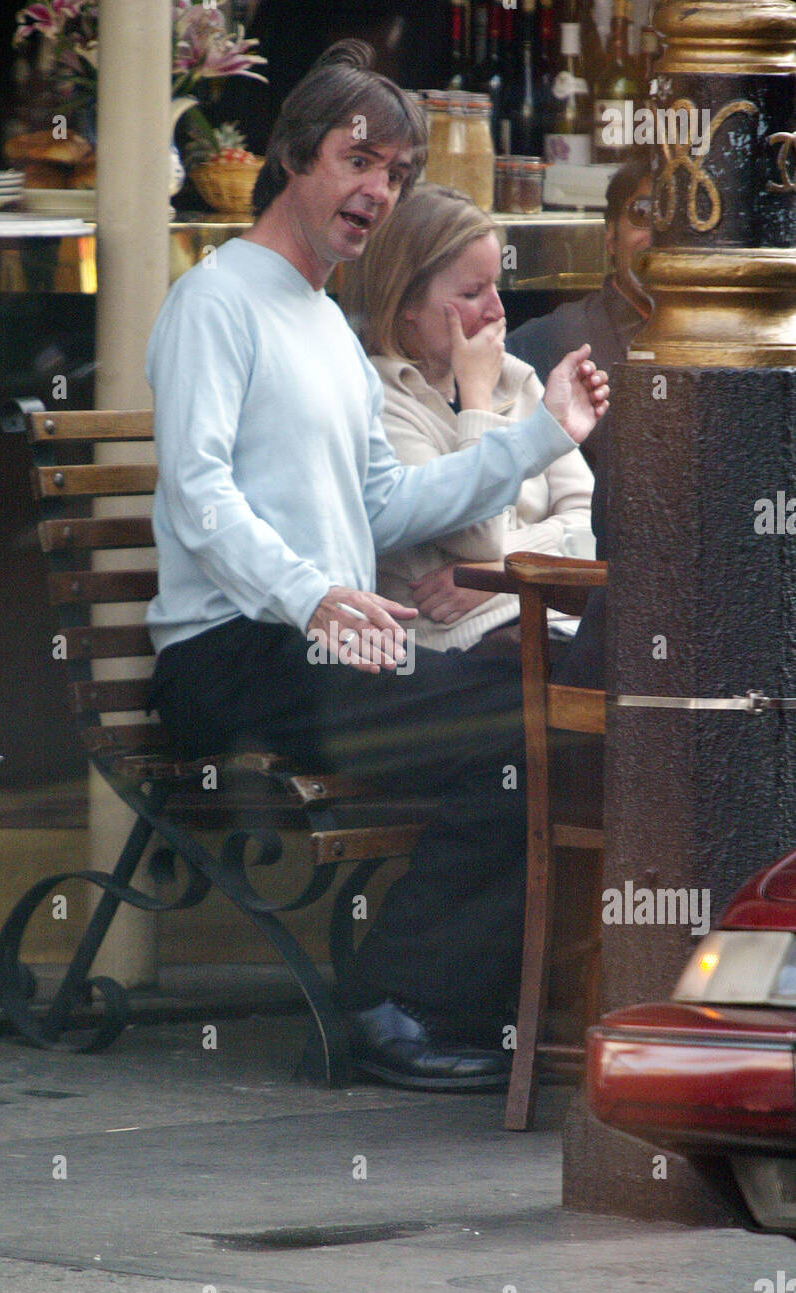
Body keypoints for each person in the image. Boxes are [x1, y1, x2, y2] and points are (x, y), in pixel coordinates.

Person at [145, 41, 609, 1090]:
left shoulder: (322, 325)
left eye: (396, 173)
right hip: (231, 653)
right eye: (361, 160)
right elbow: (197, 493)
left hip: (325, 642)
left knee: (557, 695)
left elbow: (388, 504)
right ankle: (399, 1000)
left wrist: (539, 436)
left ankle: (464, 993)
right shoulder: (214, 302)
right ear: (293, 156)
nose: (378, 190)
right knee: (526, 724)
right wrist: (311, 597)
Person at [345, 183, 594, 655]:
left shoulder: (516, 381)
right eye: (472, 292)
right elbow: (478, 540)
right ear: (407, 305)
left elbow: (590, 526)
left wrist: (502, 575)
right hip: (460, 651)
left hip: (553, 623)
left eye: (496, 286)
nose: (498, 310)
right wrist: (476, 400)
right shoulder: (380, 401)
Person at [506, 158, 652, 686]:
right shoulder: (546, 342)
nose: (660, 232)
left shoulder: (739, 353)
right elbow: (497, 500)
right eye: (644, 212)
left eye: (679, 217)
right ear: (609, 237)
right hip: (594, 631)